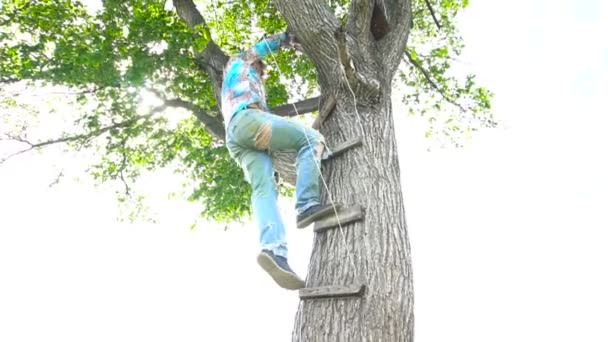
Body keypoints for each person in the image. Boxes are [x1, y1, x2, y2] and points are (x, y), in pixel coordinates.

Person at [221, 32, 333, 290]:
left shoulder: (233, 88)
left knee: (264, 189)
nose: (260, 72)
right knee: (311, 140)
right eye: (259, 68)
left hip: (237, 138)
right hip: (248, 122)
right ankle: (307, 204)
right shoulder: (239, 62)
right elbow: (257, 49)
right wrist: (286, 38)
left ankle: (274, 251)